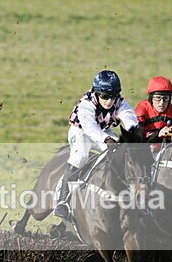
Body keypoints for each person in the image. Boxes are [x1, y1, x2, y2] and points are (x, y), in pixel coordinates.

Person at [53, 70, 140, 220]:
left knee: (120, 154)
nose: (109, 101)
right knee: (80, 156)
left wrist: (133, 134)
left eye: (113, 96)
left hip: (103, 131)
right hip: (81, 132)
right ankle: (62, 199)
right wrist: (106, 139)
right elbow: (89, 127)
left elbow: (130, 117)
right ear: (96, 92)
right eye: (104, 96)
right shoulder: (86, 103)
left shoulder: (120, 102)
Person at [134, 76, 172, 143]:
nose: (161, 103)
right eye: (158, 98)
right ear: (151, 98)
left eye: (165, 98)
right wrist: (157, 134)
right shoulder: (142, 109)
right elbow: (136, 134)